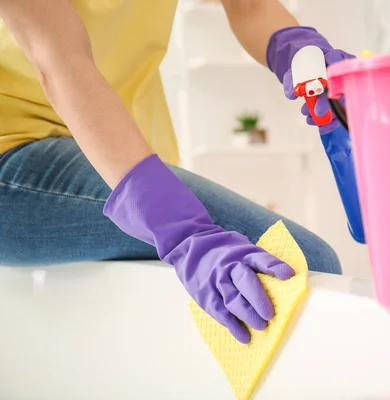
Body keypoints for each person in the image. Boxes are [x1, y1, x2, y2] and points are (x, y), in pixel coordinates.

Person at [0, 0, 354, 344]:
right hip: (13, 158)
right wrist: (182, 231)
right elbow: (59, 60)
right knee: (301, 266)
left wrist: (298, 49)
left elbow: (252, 7)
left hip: (113, 157)